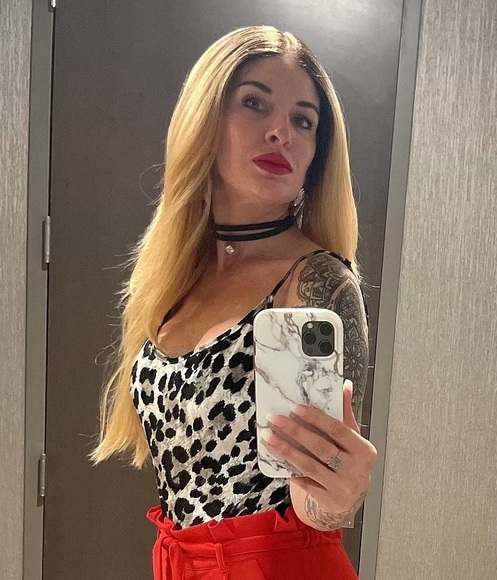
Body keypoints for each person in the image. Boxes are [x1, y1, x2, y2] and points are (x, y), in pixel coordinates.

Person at [91, 25, 377, 580]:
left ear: (316, 154)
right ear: (206, 118)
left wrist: (338, 494)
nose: (280, 132)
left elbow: (317, 506)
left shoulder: (318, 282)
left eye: (303, 121)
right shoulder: (176, 276)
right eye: (254, 103)